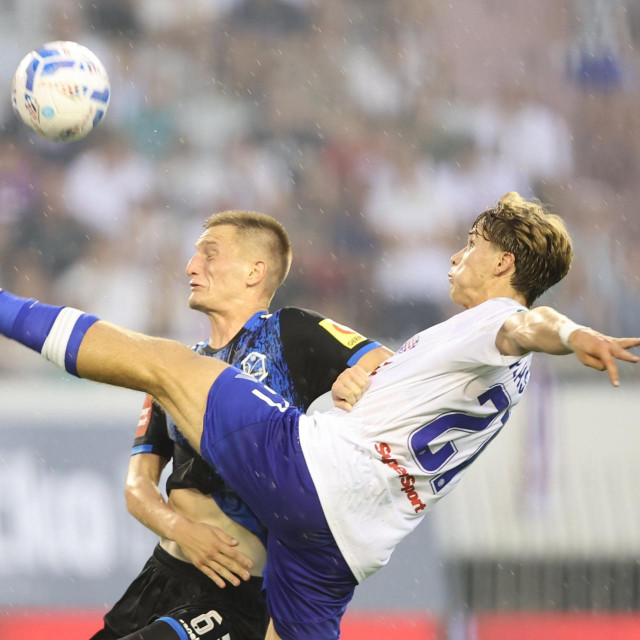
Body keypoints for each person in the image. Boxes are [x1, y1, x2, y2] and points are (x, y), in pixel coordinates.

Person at [1, 192, 638, 640]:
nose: (455, 257)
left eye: (471, 245)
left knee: (159, 363)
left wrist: (574, 332)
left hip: (311, 476)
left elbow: (531, 323)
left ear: (503, 264)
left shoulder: (492, 323)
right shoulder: (505, 375)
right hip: (349, 548)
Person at [88, 210, 393, 640]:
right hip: (161, 574)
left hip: (234, 590)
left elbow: (393, 371)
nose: (192, 266)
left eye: (209, 255)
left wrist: (357, 379)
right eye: (195, 256)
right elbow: (138, 488)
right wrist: (182, 531)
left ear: (255, 270)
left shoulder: (289, 331)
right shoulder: (175, 369)